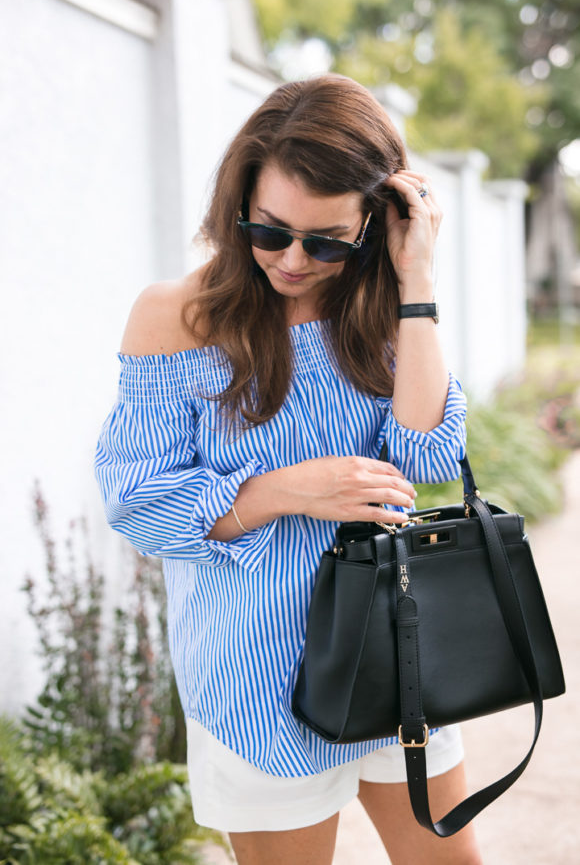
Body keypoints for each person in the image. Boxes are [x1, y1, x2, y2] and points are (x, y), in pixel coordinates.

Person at [95, 74, 482, 865]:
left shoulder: (376, 306)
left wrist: (417, 282)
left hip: (399, 648)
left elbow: (429, 455)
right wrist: (285, 492)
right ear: (240, 203)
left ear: (376, 226)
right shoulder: (178, 316)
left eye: (328, 241)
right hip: (257, 674)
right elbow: (139, 503)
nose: (295, 260)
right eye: (270, 232)